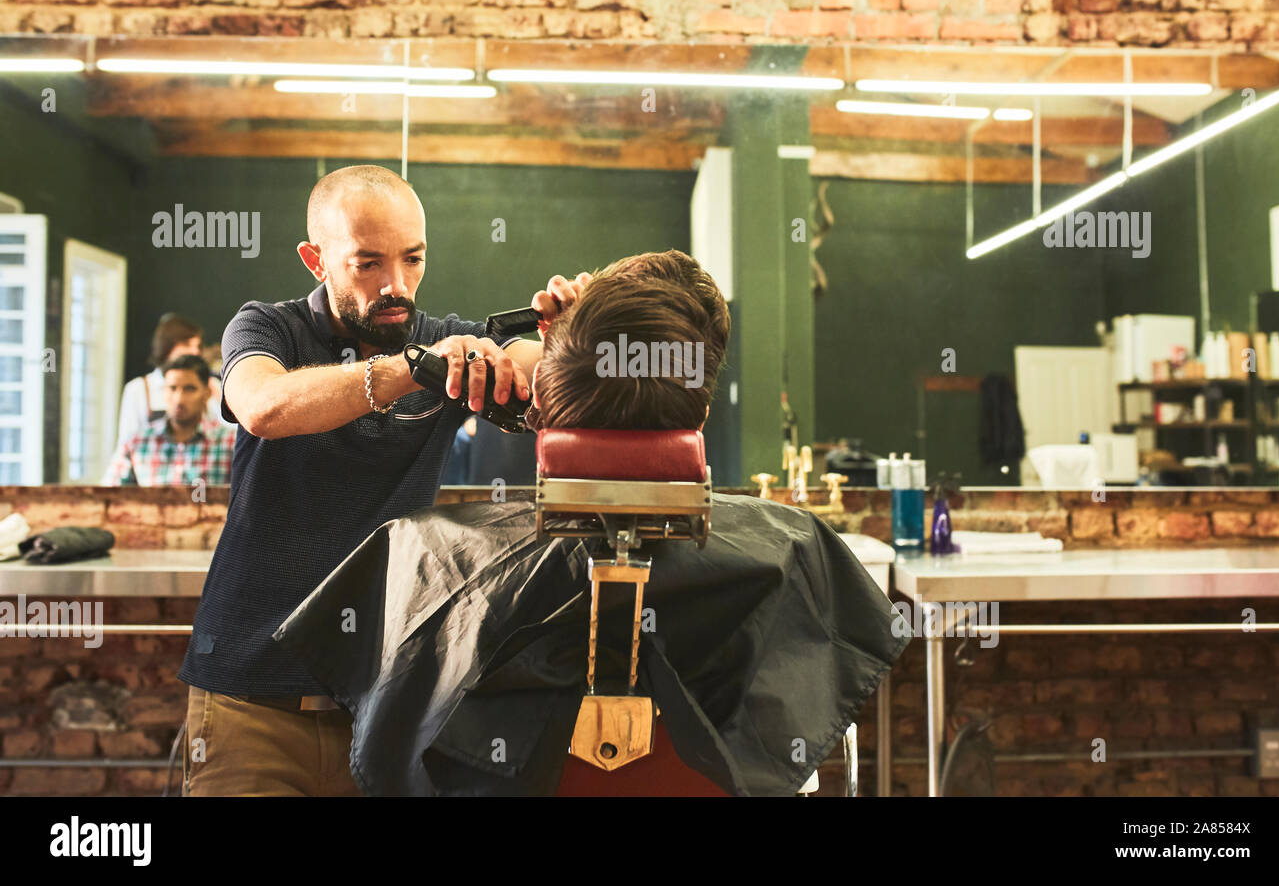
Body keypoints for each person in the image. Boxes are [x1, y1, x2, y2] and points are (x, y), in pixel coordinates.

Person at [276, 256, 912, 796]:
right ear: (704, 410)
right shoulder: (798, 549)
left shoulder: (426, 551)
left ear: (542, 403)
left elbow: (393, 742)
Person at [179, 164, 590, 796]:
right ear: (316, 260)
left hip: (378, 707)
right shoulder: (268, 327)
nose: (395, 286)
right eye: (366, 264)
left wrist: (573, 337)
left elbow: (528, 374)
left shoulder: (444, 342)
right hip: (248, 698)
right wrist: (414, 369)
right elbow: (264, 405)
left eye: (412, 260)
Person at [101, 354, 237, 487]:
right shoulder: (138, 442)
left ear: (207, 393)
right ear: (163, 392)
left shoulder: (230, 442)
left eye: (189, 389)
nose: (179, 399)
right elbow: (108, 496)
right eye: (172, 388)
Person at [113, 313, 223, 449]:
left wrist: (216, 394)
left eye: (198, 346)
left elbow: (229, 432)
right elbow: (126, 443)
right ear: (166, 346)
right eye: (186, 344)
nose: (194, 351)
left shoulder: (209, 386)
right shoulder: (139, 388)